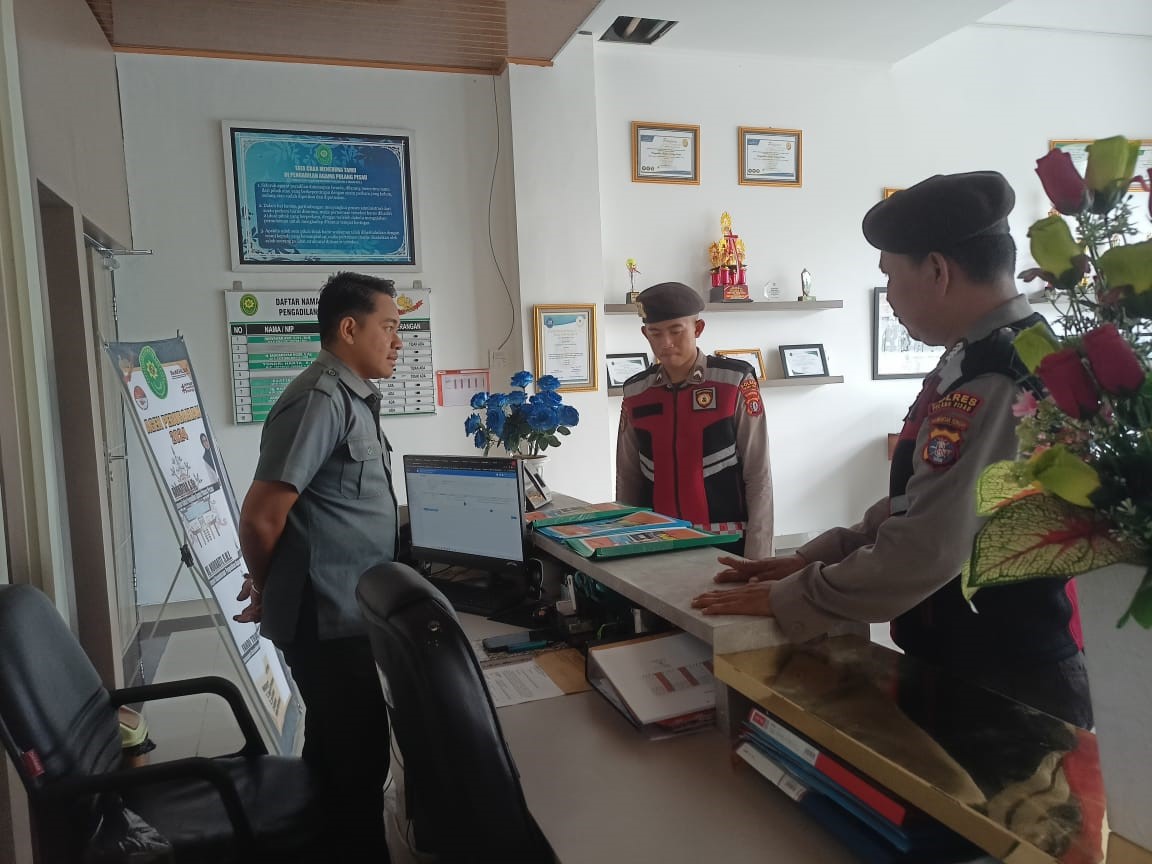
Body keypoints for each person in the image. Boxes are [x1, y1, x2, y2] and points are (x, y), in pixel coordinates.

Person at [691, 172, 1092, 729]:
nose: (890, 297)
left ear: (937, 270)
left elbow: (929, 545)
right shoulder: (990, 354)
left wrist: (796, 595)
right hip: (974, 659)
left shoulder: (996, 376)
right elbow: (925, 498)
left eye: (890, 276)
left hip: (1006, 677)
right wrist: (821, 555)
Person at [234, 271, 401, 858]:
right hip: (327, 617)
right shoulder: (320, 399)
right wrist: (266, 585)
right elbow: (261, 517)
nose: (398, 341)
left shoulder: (351, 398)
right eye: (389, 326)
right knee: (359, 762)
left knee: (334, 752)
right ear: (349, 329)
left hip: (344, 609)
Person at [616, 281, 774, 558]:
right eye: (655, 333)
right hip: (658, 543)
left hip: (727, 544)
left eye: (676, 331)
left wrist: (758, 559)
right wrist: (625, 547)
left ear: (698, 329)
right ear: (645, 334)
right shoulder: (636, 392)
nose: (666, 343)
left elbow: (758, 474)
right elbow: (628, 477)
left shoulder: (734, 381)